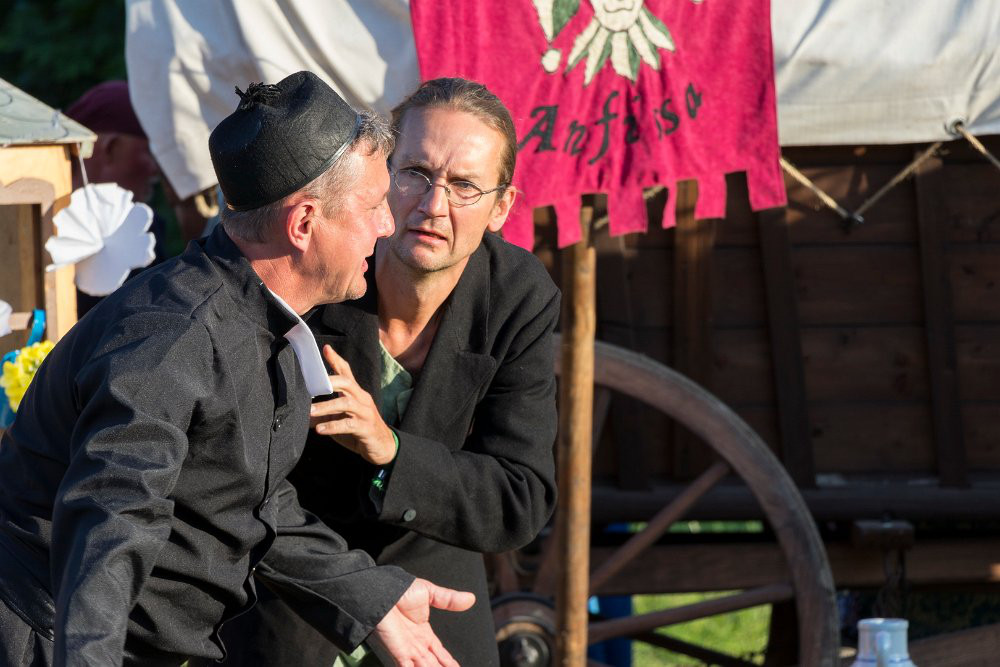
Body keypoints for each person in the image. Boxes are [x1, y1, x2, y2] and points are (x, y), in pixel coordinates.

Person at [0, 71, 473, 667]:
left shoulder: (260, 318)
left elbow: (247, 505)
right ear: (303, 224)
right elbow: (109, 522)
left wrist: (374, 598)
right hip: (49, 641)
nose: (387, 224)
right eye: (374, 204)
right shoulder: (172, 339)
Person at [216, 78, 560, 665]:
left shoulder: (517, 297)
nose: (433, 206)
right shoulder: (315, 261)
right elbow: (229, 468)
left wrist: (391, 450)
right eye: (416, 173)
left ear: (502, 207)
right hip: (290, 584)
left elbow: (518, 497)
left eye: (465, 186)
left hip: (437, 584)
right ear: (380, 175)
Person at [64, 81, 167, 316]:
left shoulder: (148, 231)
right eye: (149, 151)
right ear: (110, 148)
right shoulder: (38, 228)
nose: (155, 169)